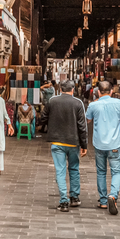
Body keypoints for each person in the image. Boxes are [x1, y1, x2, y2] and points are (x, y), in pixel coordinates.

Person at [85, 80, 120, 215]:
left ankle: (103, 201)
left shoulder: (93, 105)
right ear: (111, 91)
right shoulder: (118, 103)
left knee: (101, 172)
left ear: (98, 92)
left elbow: (87, 120)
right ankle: (113, 195)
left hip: (99, 144)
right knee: (116, 171)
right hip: (115, 144)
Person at [43, 79, 88, 213]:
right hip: (73, 142)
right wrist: (84, 144)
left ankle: (63, 201)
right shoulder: (78, 103)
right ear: (73, 89)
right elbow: (82, 126)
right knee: (74, 169)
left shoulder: (52, 101)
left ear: (60, 89)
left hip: (57, 142)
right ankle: (74, 197)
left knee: (60, 171)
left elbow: (43, 117)